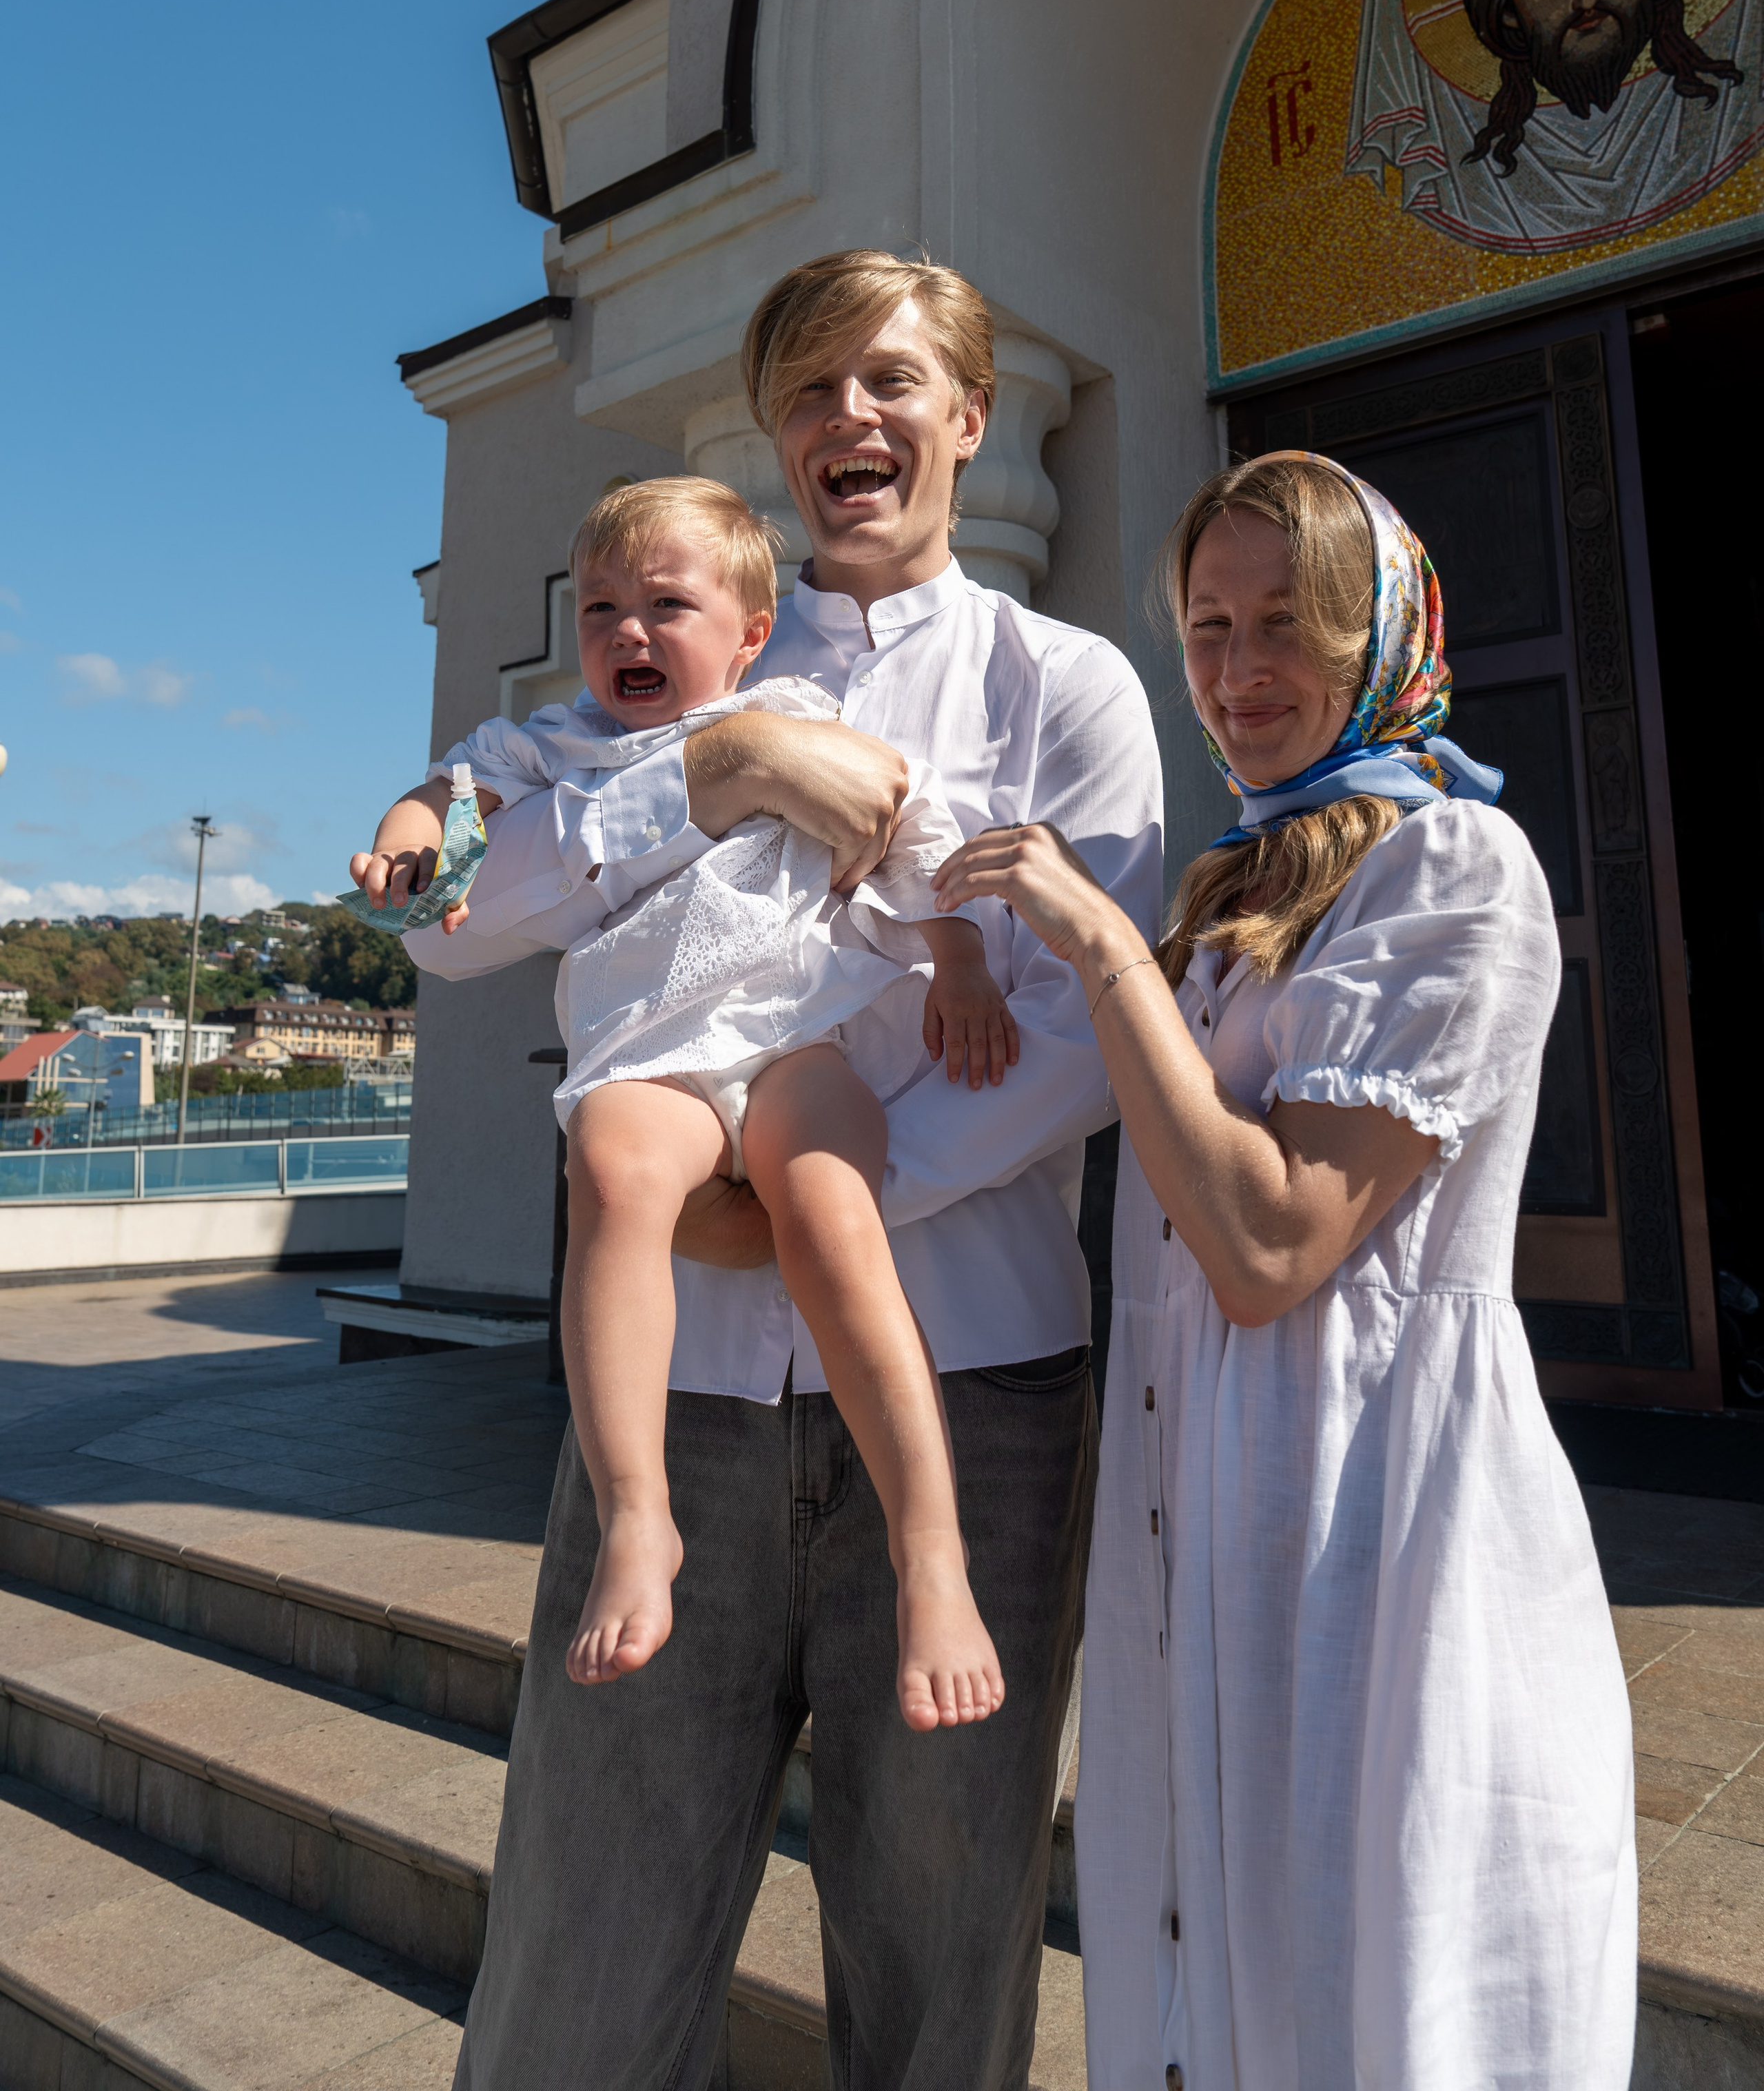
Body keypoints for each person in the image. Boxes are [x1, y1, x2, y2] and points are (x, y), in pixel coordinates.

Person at [393, 251, 1163, 2091]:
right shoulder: (678, 655)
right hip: (677, 1410)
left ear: (969, 420)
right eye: (812, 390)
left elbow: (1078, 1039)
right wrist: (718, 764)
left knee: (941, 1956)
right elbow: (447, 930)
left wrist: (785, 1211)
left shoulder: (1068, 685)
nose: (852, 422)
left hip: (968, 1398)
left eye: (892, 383)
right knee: (585, 1954)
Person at [934, 452, 1637, 2090]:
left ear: (1380, 636)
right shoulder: (1241, 888)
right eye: (1206, 628)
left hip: (1370, 1519)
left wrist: (1101, 946)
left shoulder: (1450, 869)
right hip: (1210, 1512)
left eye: (1284, 627)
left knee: (1363, 1980)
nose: (1238, 675)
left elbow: (1266, 1246)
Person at [356, 474, 1014, 1731]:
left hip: (792, 1036)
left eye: (667, 603)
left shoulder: (799, 712)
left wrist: (963, 955)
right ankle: (638, 1516)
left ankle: (931, 1551)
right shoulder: (559, 744)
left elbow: (909, 829)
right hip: (651, 1050)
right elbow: (453, 792)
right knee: (608, 1172)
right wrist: (408, 836)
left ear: (749, 631)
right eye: (601, 608)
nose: (628, 633)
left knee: (830, 1215)